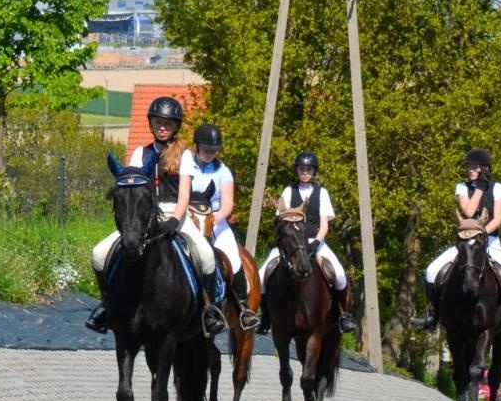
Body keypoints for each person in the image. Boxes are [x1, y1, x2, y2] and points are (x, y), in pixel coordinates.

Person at [86, 95, 227, 335]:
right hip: (143, 217)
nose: (163, 127)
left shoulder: (185, 155)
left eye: (168, 123)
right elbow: (130, 192)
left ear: (176, 126)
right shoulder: (140, 154)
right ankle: (107, 307)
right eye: (159, 122)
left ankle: (209, 310)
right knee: (99, 254)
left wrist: (175, 220)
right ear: (150, 124)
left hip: (176, 214)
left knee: (206, 256)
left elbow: (185, 193)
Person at [414, 147, 501, 329]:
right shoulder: (462, 187)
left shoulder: (497, 188)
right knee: (431, 270)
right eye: (469, 167)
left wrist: (482, 234)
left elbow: (497, 219)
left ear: (485, 168)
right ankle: (432, 314)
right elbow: (469, 211)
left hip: (491, 241)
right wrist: (479, 188)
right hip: (465, 243)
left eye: (474, 167)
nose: (470, 170)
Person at [174, 122, 258, 330]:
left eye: (214, 150)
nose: (210, 154)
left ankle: (243, 307)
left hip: (215, 221)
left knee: (234, 259)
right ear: (197, 146)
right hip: (188, 220)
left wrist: (215, 220)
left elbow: (228, 203)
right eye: (206, 149)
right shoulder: (186, 165)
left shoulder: (224, 172)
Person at [262, 151, 357, 333]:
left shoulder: (322, 193)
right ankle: (265, 316)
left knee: (339, 274)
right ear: (296, 171)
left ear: (314, 172)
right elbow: (283, 220)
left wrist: (316, 243)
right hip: (290, 243)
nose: (305, 172)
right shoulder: (289, 191)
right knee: (262, 274)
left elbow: (324, 225)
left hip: (315, 240)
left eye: (309, 169)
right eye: (302, 169)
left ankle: (344, 315)